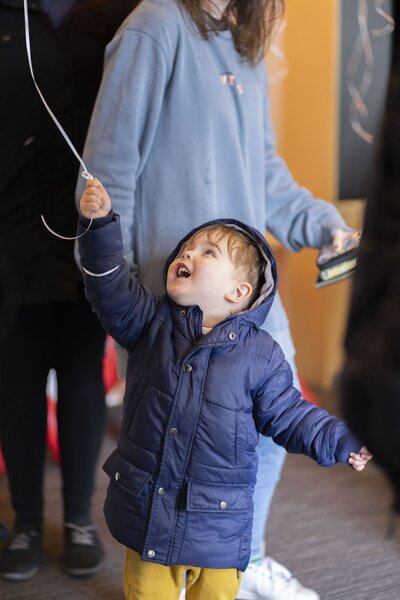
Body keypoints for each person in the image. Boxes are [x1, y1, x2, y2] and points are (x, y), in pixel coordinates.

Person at [76, 1, 357, 597]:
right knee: (176, 453)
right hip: (169, 304)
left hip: (248, 299)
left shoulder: (244, 42)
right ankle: (167, 572)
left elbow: (263, 172)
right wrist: (108, 277)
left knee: (261, 433)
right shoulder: (154, 28)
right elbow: (108, 170)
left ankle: (241, 558)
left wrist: (322, 223)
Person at [77, 177, 372, 600]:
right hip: (150, 510)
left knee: (215, 595)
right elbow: (109, 291)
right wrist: (100, 226)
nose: (188, 253)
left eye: (207, 252)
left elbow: (290, 414)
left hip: (218, 520)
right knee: (147, 593)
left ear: (238, 292)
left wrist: (340, 438)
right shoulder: (150, 322)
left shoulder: (261, 355)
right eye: (187, 249)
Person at [0, 0, 139, 582]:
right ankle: (28, 524)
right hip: (9, 232)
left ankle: (79, 519)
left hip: (89, 231)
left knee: (85, 376)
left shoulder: (119, 13)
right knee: (17, 382)